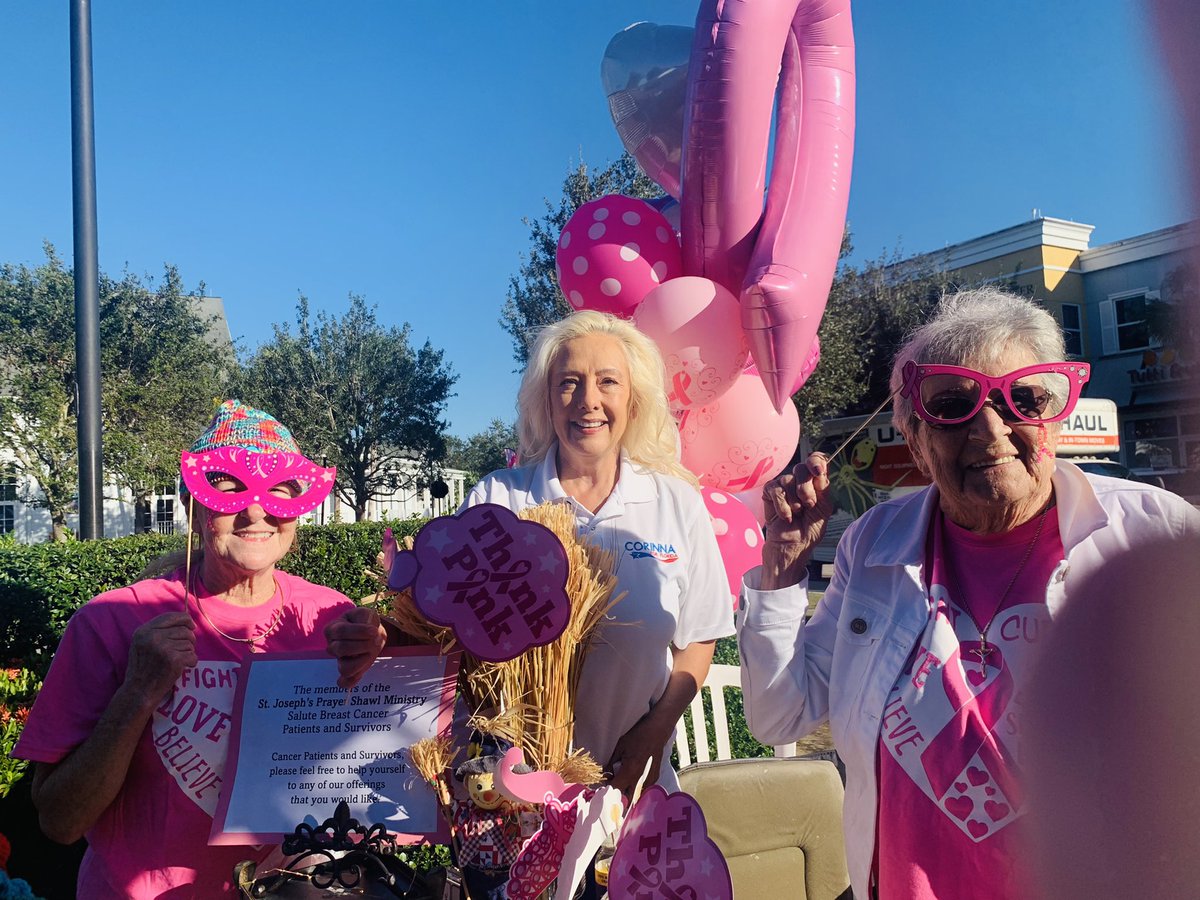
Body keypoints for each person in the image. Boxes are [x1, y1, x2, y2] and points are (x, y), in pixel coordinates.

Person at [736, 288, 1200, 900]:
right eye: (953, 405)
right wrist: (784, 566)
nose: (990, 429)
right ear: (916, 437)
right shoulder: (873, 546)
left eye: (1024, 398)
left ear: (1054, 416)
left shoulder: (1152, 531)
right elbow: (780, 715)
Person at [331, 310, 734, 797]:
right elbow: (445, 628)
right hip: (507, 798)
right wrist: (385, 635)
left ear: (634, 398)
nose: (588, 401)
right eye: (569, 382)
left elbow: (699, 639)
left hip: (633, 788)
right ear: (546, 398)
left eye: (608, 381)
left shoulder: (676, 503)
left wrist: (653, 734)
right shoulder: (499, 501)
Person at [13, 400, 384, 899]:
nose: (256, 509)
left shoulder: (329, 616)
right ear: (193, 504)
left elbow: (364, 772)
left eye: (280, 489)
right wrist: (139, 692)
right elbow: (59, 820)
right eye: (228, 487)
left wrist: (382, 668)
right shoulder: (110, 622)